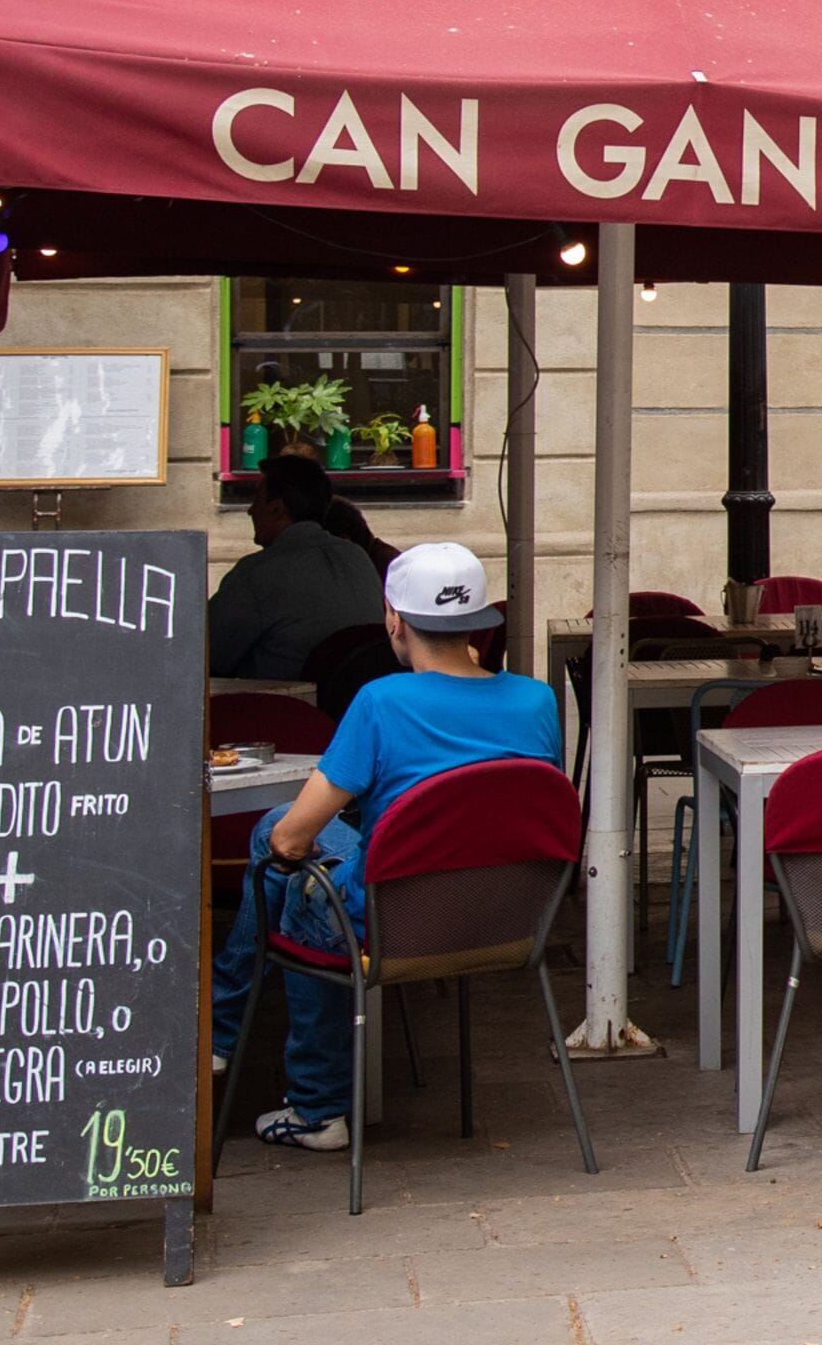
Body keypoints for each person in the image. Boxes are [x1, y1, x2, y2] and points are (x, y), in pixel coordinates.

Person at [211, 540, 561, 1153]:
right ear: (478, 622)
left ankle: (282, 1081)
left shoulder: (380, 701)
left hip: (389, 924)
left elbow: (296, 836)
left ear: (394, 620)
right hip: (506, 917)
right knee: (298, 853)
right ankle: (229, 1043)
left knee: (277, 839)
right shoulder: (537, 700)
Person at [207, 454, 385, 681]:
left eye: (257, 499)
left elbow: (207, 654)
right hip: (357, 702)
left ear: (277, 509)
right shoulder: (357, 556)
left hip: (284, 709)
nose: (250, 511)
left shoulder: (256, 573)